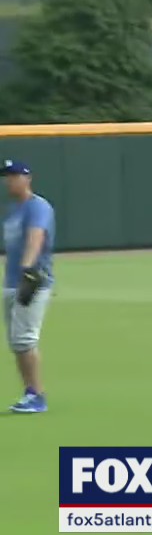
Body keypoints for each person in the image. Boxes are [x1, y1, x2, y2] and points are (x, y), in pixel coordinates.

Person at [2, 159, 56, 413]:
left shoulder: (38, 207)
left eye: (14, 175)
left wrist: (27, 271)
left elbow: (36, 238)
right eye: (7, 176)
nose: (9, 180)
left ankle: (37, 395)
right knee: (16, 342)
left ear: (28, 178)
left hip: (31, 280)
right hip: (11, 283)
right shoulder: (13, 209)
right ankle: (29, 392)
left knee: (24, 339)